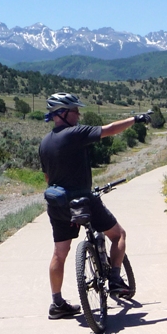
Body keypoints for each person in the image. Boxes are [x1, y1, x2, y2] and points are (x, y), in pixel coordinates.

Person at [39, 92, 151, 320]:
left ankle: (57, 303)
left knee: (59, 253)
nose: (79, 115)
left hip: (57, 203)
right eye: (75, 111)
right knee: (118, 235)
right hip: (82, 200)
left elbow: (48, 178)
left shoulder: (44, 143)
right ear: (63, 113)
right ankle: (115, 280)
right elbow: (109, 129)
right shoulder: (74, 134)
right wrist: (136, 119)